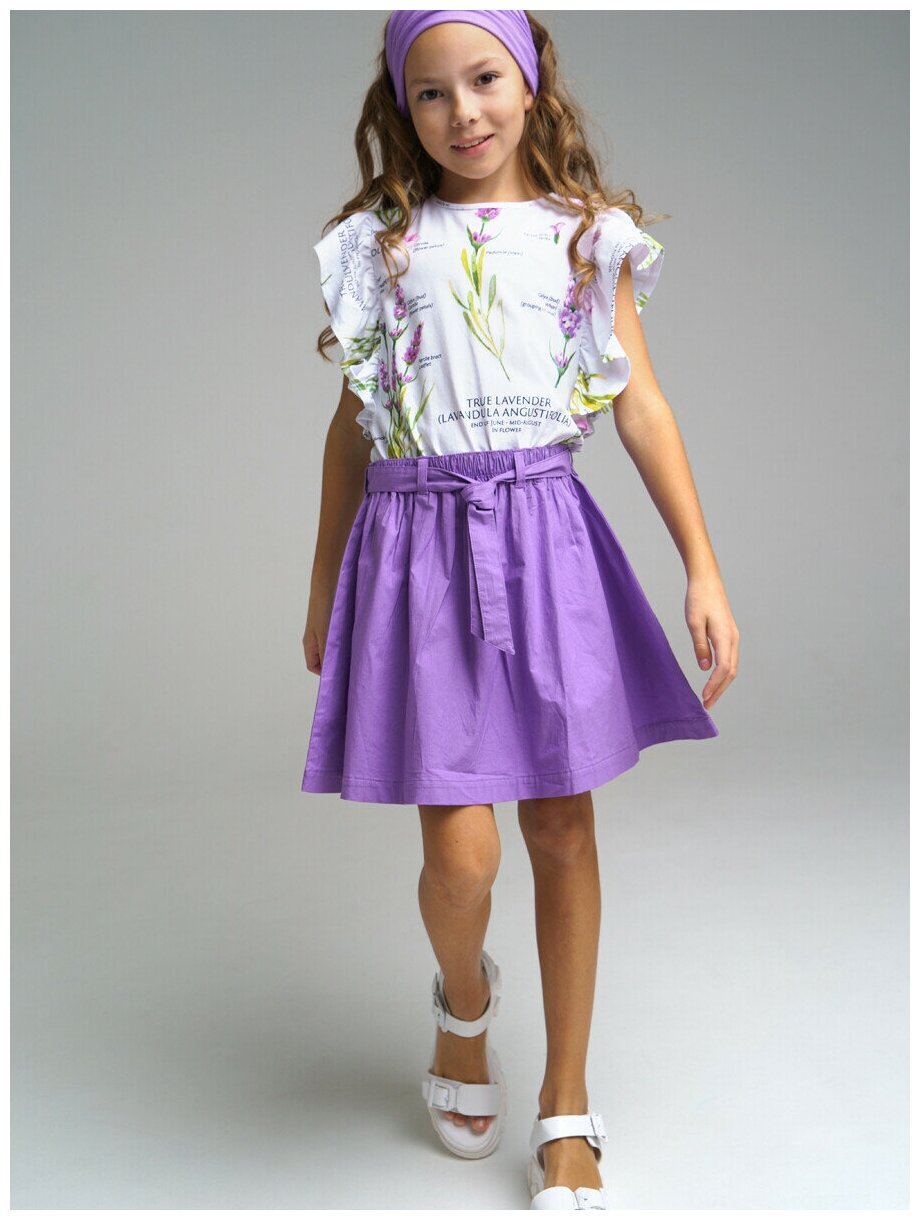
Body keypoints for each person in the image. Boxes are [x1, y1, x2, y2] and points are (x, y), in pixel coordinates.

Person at [300, 9, 739, 1210]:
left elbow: (638, 405)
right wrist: (324, 579)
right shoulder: (380, 245)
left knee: (558, 827)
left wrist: (700, 565)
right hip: (415, 552)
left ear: (532, 82)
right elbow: (350, 427)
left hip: (544, 540)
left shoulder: (585, 238)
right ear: (402, 107)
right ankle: (463, 1003)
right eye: (431, 92)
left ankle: (565, 1105)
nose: (463, 112)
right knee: (461, 852)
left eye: (485, 79)